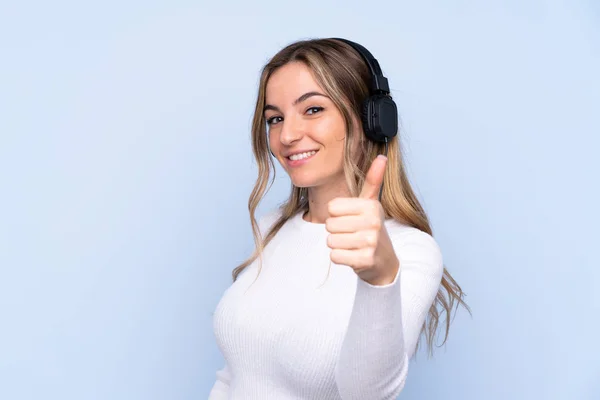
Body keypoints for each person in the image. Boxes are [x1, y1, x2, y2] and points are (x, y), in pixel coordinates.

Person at [208, 37, 469, 399]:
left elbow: (366, 395)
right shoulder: (272, 229)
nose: (288, 135)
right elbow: (234, 377)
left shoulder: (410, 251)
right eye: (275, 118)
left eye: (313, 110)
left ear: (372, 121)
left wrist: (379, 280)